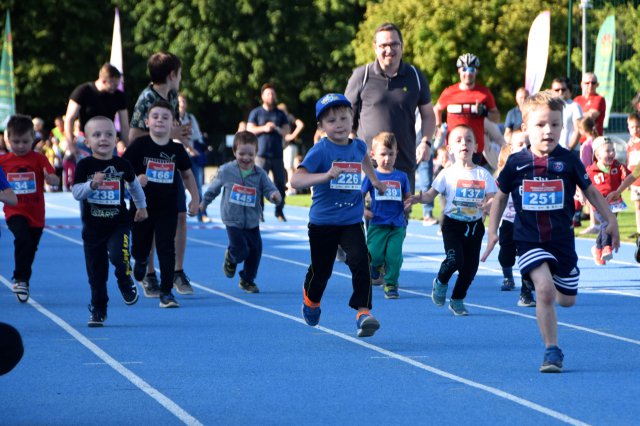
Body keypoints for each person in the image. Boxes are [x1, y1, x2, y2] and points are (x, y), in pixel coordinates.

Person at [481, 91, 620, 373]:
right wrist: (493, 231)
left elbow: (591, 190)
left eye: (555, 125)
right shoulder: (516, 162)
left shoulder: (568, 161)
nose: (549, 131)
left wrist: (610, 221)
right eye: (541, 125)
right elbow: (500, 197)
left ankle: (559, 282)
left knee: (566, 300)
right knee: (543, 291)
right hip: (528, 239)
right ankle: (552, 351)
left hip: (562, 241)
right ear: (526, 128)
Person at [290, 93, 386, 338]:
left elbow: (364, 156)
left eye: (344, 118)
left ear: (352, 119)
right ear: (321, 126)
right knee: (322, 271)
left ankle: (363, 312)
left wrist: (374, 180)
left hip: (351, 221)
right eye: (331, 121)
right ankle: (311, 301)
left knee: (360, 261)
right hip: (323, 223)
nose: (339, 124)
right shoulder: (320, 150)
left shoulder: (358, 146)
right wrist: (325, 176)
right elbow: (296, 179)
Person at [406, 125, 497, 316]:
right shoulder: (447, 173)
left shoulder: (483, 174)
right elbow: (431, 195)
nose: (464, 143)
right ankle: (440, 281)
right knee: (455, 259)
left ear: (476, 147)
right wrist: (417, 198)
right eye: (458, 140)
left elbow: (493, 198)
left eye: (468, 140)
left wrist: (488, 204)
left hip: (475, 227)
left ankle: (457, 299)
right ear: (450, 149)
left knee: (470, 268)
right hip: (452, 225)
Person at [123, 100, 200, 308]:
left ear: (173, 124)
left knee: (167, 250)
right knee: (141, 248)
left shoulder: (176, 149)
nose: (160, 121)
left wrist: (195, 198)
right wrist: (134, 180)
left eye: (165, 117)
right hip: (142, 209)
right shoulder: (139, 146)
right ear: (147, 122)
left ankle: (166, 293)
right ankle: (139, 263)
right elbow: (122, 172)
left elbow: (187, 175)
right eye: (155, 117)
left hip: (168, 208)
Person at [72, 116, 148, 326]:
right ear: (87, 141)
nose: (103, 139)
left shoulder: (122, 164)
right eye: (96, 135)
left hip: (119, 223)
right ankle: (98, 309)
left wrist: (141, 207)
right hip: (93, 228)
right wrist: (92, 186)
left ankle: (125, 280)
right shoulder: (84, 165)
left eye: (108, 134)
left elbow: (134, 187)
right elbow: (76, 193)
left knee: (119, 255)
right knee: (96, 273)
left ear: (116, 139)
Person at [129, 52, 194, 296]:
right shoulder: (146, 98)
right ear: (172, 74)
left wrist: (179, 137)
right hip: (148, 171)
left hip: (170, 167)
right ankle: (150, 273)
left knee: (180, 215)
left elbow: (171, 133)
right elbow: (134, 136)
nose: (180, 78)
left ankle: (177, 271)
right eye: (180, 74)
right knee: (151, 221)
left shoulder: (174, 97)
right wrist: (173, 135)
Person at [345, 22, 436, 192]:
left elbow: (429, 115)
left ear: (401, 46)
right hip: (369, 166)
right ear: (375, 47)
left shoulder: (415, 76)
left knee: (401, 217)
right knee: (369, 216)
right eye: (383, 45)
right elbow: (346, 117)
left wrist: (426, 142)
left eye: (394, 44)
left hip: (403, 165)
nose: (389, 49)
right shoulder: (361, 76)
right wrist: (352, 143)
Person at [200, 131, 281, 293]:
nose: (246, 158)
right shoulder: (226, 171)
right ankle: (231, 257)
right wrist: (203, 204)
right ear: (234, 152)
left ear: (256, 153)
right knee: (241, 249)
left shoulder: (260, 174)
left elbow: (269, 190)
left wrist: (275, 197)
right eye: (241, 153)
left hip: (252, 220)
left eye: (250, 154)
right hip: (232, 219)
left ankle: (247, 280)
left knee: (255, 251)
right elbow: (213, 189)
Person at [0, 115, 60, 302]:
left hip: (37, 213)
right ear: (7, 139)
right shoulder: (3, 162)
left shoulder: (39, 159)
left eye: (25, 141)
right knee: (22, 239)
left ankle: (24, 277)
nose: (20, 146)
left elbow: (55, 178)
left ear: (33, 137)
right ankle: (20, 279)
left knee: (31, 247)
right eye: (15, 141)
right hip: (15, 211)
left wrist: (51, 179)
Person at [362, 132, 411, 299]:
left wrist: (409, 202)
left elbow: (407, 197)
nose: (387, 158)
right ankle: (374, 266)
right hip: (377, 223)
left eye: (391, 154)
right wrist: (363, 210)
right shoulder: (372, 176)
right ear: (373, 155)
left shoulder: (402, 177)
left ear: (396, 154)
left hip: (397, 224)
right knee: (374, 255)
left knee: (394, 256)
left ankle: (390, 284)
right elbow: (359, 195)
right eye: (383, 154)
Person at [494, 131, 536, 306]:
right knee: (506, 252)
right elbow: (496, 195)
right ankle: (507, 275)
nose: (524, 148)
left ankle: (529, 285)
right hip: (509, 220)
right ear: (510, 148)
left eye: (527, 144)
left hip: (528, 222)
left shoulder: (535, 169)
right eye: (519, 144)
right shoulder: (505, 172)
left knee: (529, 253)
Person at [433, 53, 500, 164]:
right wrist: (438, 127)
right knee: (455, 179)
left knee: (472, 179)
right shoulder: (449, 92)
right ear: (459, 71)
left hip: (475, 146)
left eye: (471, 69)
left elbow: (496, 118)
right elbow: (437, 109)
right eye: (464, 69)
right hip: (454, 146)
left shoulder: (484, 93)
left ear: (476, 71)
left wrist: (485, 112)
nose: (468, 73)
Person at [246, 83, 290, 222]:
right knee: (258, 185)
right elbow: (249, 129)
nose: (271, 96)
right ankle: (259, 212)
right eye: (268, 94)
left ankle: (279, 211)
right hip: (261, 155)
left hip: (277, 155)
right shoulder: (256, 113)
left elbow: (287, 131)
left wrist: (275, 128)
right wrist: (264, 128)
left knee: (280, 184)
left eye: (272, 94)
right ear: (262, 96)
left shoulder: (280, 114)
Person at [583, 137, 628, 266]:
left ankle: (597, 247)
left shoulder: (617, 166)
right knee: (606, 222)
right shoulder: (591, 170)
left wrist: (625, 174)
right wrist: (581, 195)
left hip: (615, 203)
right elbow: (582, 183)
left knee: (608, 224)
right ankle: (606, 247)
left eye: (613, 150)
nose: (611, 153)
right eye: (607, 151)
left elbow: (628, 176)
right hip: (598, 203)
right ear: (597, 155)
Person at [64, 63, 130, 148]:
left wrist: (127, 147)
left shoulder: (118, 96)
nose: (115, 88)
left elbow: (124, 125)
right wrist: (70, 144)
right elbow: (70, 118)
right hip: (85, 140)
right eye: (113, 85)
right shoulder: (83, 91)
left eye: (117, 85)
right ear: (103, 81)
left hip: (107, 141)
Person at [178, 93, 210, 223]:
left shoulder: (191, 118)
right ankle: (179, 213)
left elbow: (197, 136)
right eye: (179, 102)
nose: (181, 104)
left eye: (183, 101)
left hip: (191, 157)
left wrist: (197, 149)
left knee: (197, 186)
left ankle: (201, 213)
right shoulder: (169, 117)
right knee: (177, 187)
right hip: (176, 158)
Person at [576, 116, 599, 233]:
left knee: (590, 200)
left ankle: (594, 223)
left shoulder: (586, 144)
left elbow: (584, 164)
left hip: (591, 175)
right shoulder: (597, 140)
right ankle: (597, 223)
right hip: (599, 174)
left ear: (582, 129)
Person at [551, 77, 583, 154]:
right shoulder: (550, 107)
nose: (560, 92)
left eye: (563, 89)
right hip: (554, 150)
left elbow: (578, 130)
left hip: (570, 150)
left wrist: (569, 148)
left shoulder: (574, 106)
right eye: (557, 90)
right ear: (551, 91)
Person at [278, 103, 304, 195]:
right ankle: (293, 187)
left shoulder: (288, 117)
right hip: (289, 146)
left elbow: (300, 124)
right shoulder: (284, 119)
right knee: (292, 167)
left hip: (290, 145)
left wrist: (293, 136)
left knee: (289, 167)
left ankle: (291, 189)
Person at [574, 73, 606, 140]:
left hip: (593, 140)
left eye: (593, 83)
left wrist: (575, 117)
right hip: (577, 140)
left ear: (597, 85)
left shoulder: (599, 99)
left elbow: (590, 117)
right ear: (582, 84)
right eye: (587, 83)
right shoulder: (577, 99)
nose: (590, 85)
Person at [626, 112, 640, 239]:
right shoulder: (629, 144)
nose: (635, 130)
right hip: (634, 181)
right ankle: (639, 229)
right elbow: (629, 162)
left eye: (637, 126)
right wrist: (627, 182)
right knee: (637, 205)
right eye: (632, 127)